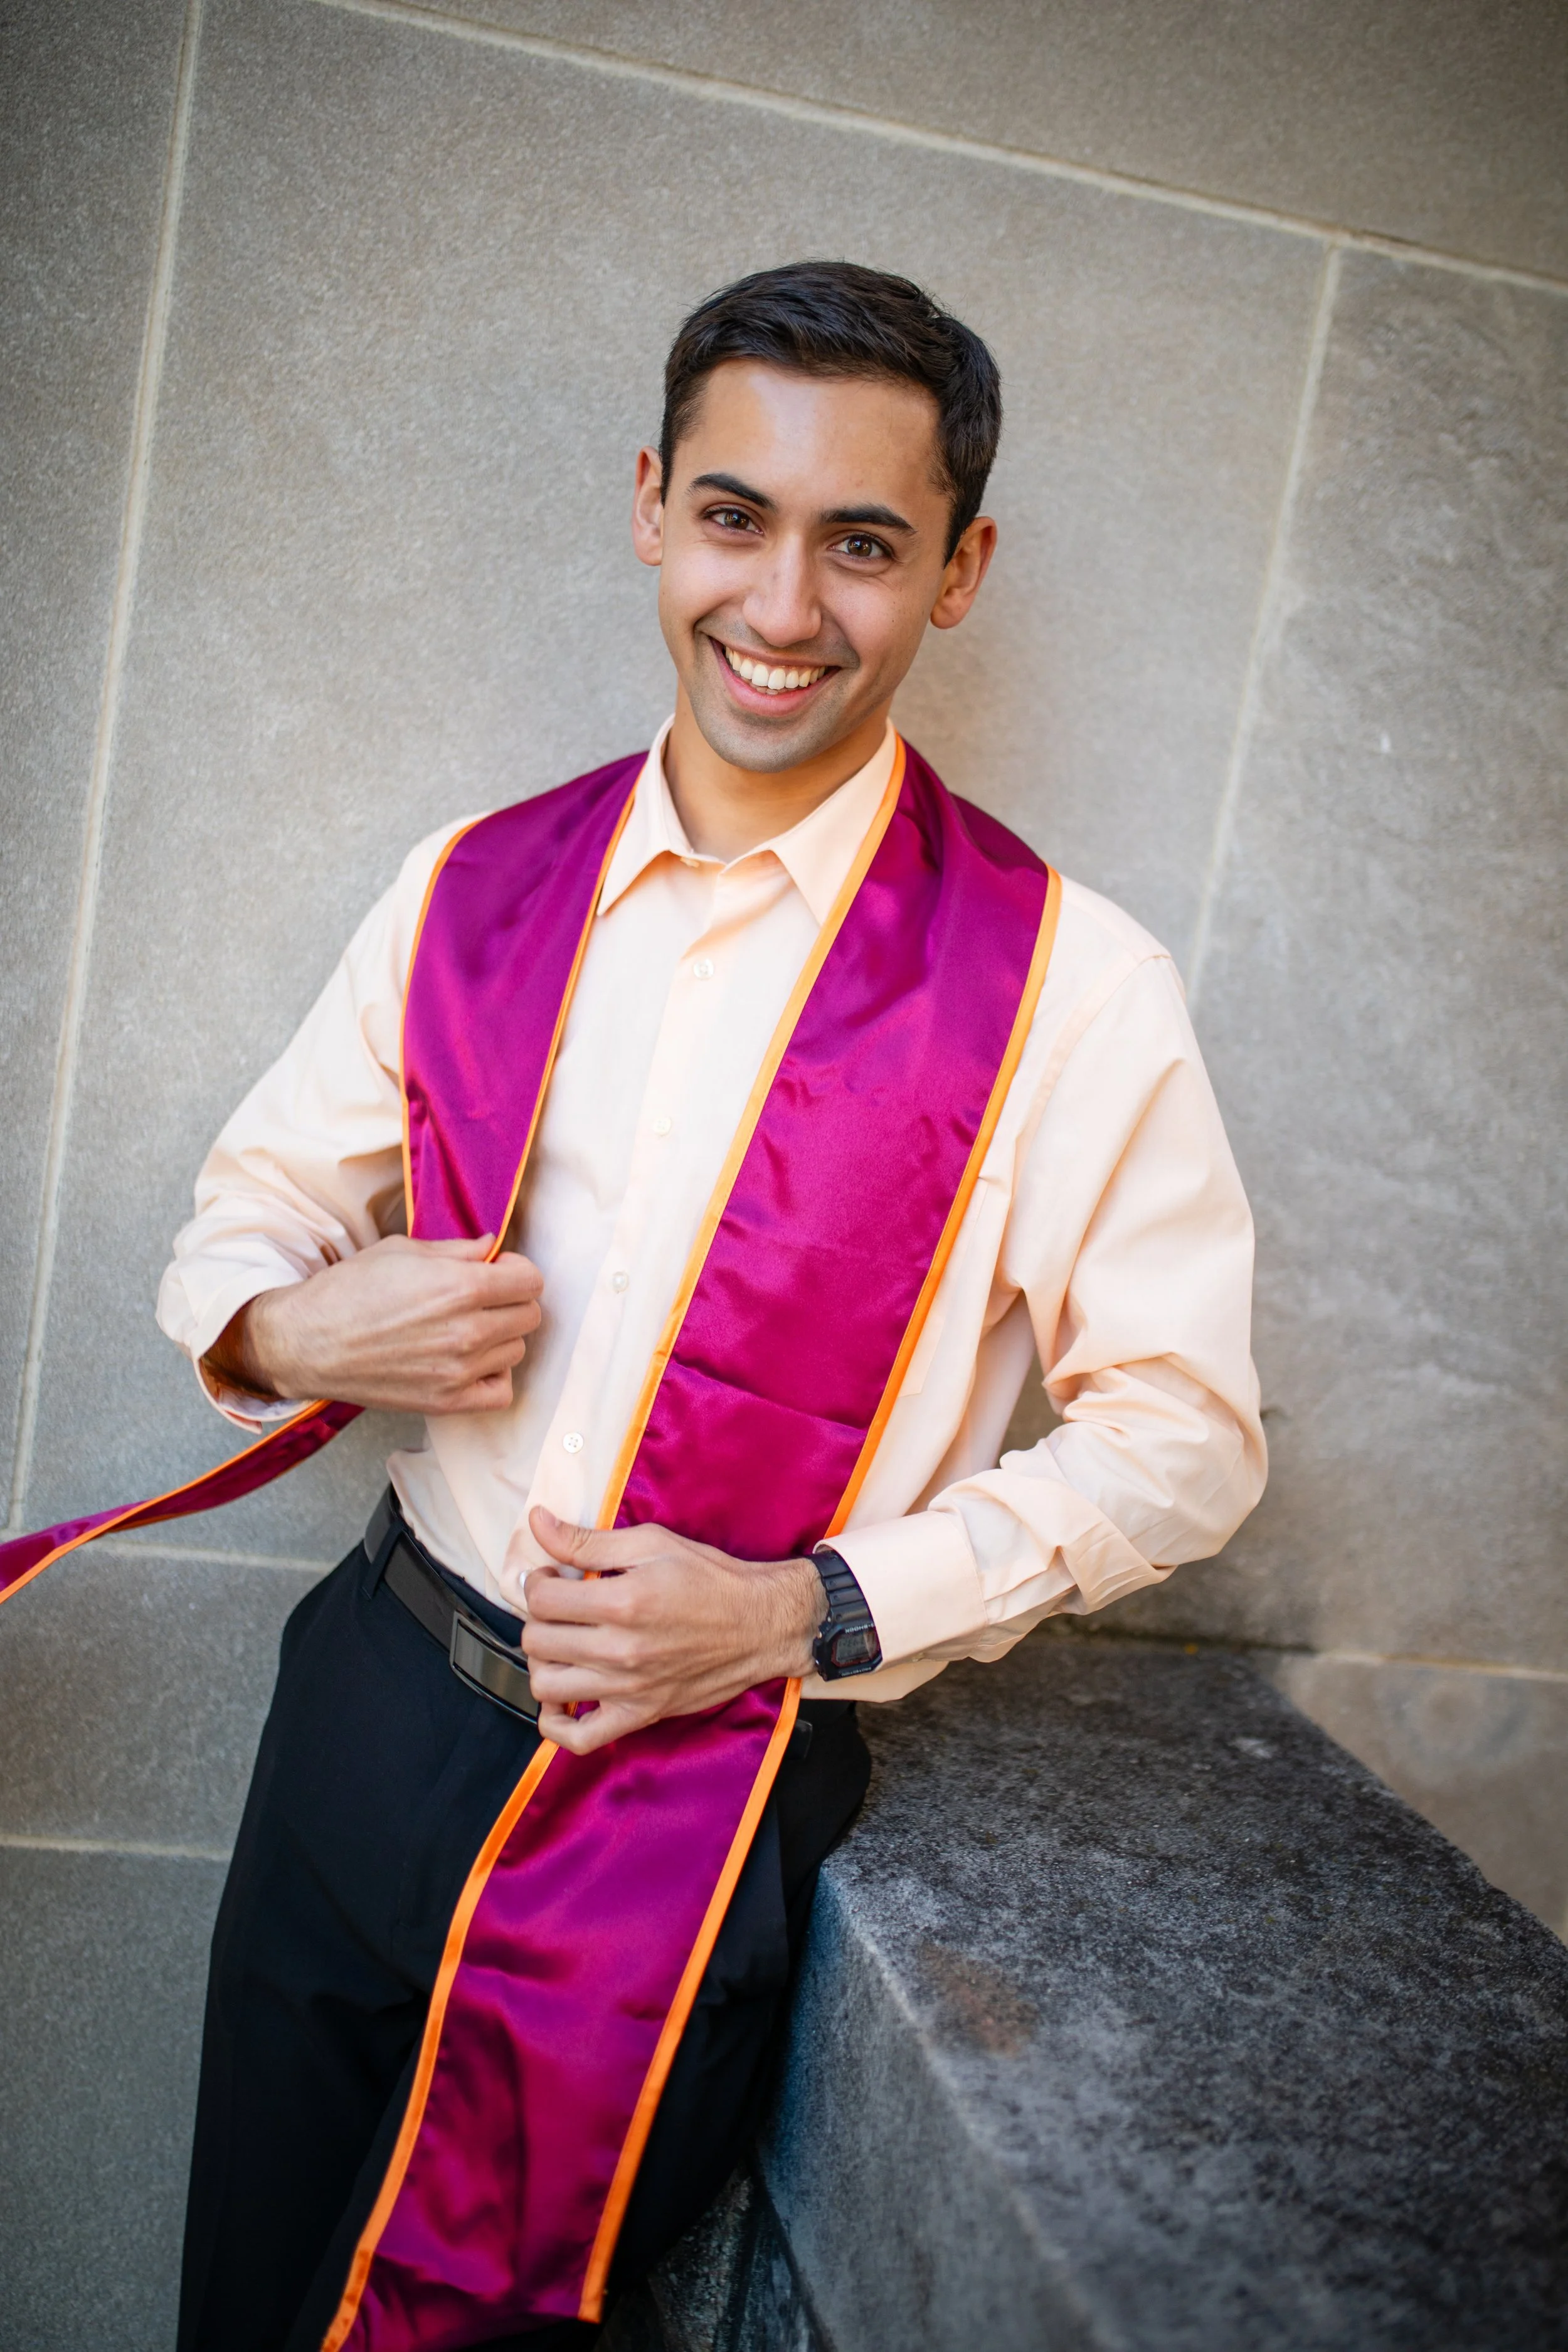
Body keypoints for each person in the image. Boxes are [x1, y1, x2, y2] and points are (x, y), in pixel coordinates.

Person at [5, 262, 1265, 2351]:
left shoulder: (1071, 986)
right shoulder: (470, 883)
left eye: (860, 542)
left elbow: (1185, 1435)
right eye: (734, 516)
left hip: (688, 1790)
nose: (780, 604)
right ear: (650, 508)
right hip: (373, 1704)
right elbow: (247, 1216)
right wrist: (297, 1333)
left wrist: (807, 1608)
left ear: (957, 572)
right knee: (243, 2292)